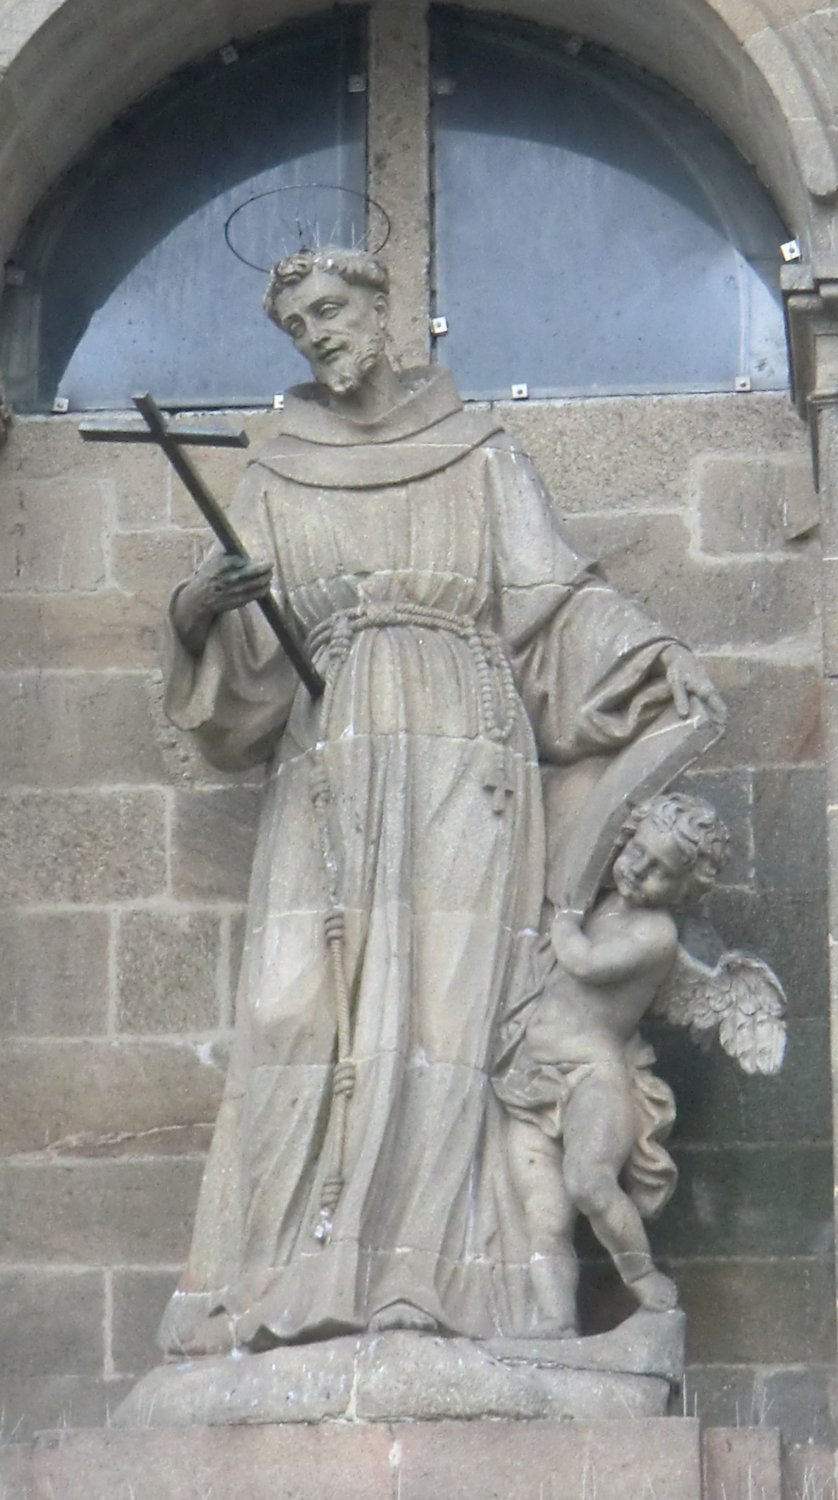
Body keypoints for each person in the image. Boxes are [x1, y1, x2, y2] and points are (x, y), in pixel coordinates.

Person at [159, 247, 725, 1355]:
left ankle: (444, 1284)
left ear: (381, 308)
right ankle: (281, 1274)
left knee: (446, 1010)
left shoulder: (478, 451)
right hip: (328, 761)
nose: (317, 334)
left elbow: (554, 604)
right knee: (292, 1008)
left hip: (463, 751)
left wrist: (654, 655)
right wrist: (194, 607)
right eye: (296, 323)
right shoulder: (275, 471)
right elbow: (239, 670)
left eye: (330, 309)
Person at [494, 793, 729, 1337]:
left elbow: (588, 964)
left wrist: (560, 923)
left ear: (684, 889)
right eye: (637, 854)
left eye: (659, 873)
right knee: (543, 1216)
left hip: (594, 1079)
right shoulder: (602, 904)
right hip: (531, 1081)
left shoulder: (656, 935)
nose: (638, 872)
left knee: (588, 1182)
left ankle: (641, 1278)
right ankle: (554, 1321)